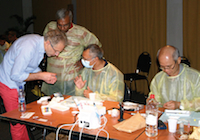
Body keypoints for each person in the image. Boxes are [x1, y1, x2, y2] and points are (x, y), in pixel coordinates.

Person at [0, 29, 67, 140]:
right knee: (17, 123)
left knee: (22, 118)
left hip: (17, 84)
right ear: (48, 43)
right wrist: (41, 76)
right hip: (8, 83)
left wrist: (43, 74)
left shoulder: (39, 44)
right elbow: (15, 75)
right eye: (56, 51)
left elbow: (30, 66)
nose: (57, 54)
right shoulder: (28, 47)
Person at [41, 8, 101, 96]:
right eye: (59, 25)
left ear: (71, 21)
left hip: (71, 80)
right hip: (52, 78)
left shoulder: (81, 32)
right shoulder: (50, 27)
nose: (62, 28)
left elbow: (96, 46)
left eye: (65, 25)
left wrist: (83, 62)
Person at [148, 45, 200, 111]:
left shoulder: (194, 77)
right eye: (162, 67)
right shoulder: (158, 78)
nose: (166, 70)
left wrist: (180, 105)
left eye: (169, 66)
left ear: (178, 60)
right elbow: (154, 98)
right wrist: (153, 102)